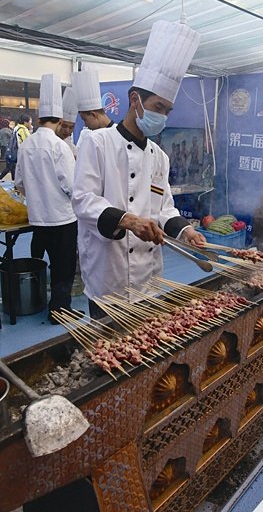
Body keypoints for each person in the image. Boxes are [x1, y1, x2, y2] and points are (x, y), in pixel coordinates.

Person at [72, 19, 204, 319]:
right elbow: (83, 200)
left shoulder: (159, 156)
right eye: (158, 107)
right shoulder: (98, 143)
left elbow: (164, 209)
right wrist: (129, 220)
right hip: (109, 274)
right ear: (135, 100)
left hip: (149, 280)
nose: (163, 117)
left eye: (167, 111)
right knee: (108, 356)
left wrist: (185, 230)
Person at [15, 74, 78, 324]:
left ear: (39, 117)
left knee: (41, 261)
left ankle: (42, 302)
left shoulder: (26, 144)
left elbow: (19, 182)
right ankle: (59, 312)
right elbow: (72, 187)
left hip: (38, 220)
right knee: (63, 268)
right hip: (62, 219)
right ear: (60, 119)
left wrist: (38, 196)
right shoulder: (59, 146)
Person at [71, 69, 114, 149]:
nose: (85, 125)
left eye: (85, 120)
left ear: (93, 115)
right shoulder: (91, 136)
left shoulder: (118, 135)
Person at [56, 87, 78, 158]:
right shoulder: (50, 141)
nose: (67, 131)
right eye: (64, 126)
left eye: (71, 127)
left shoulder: (69, 143)